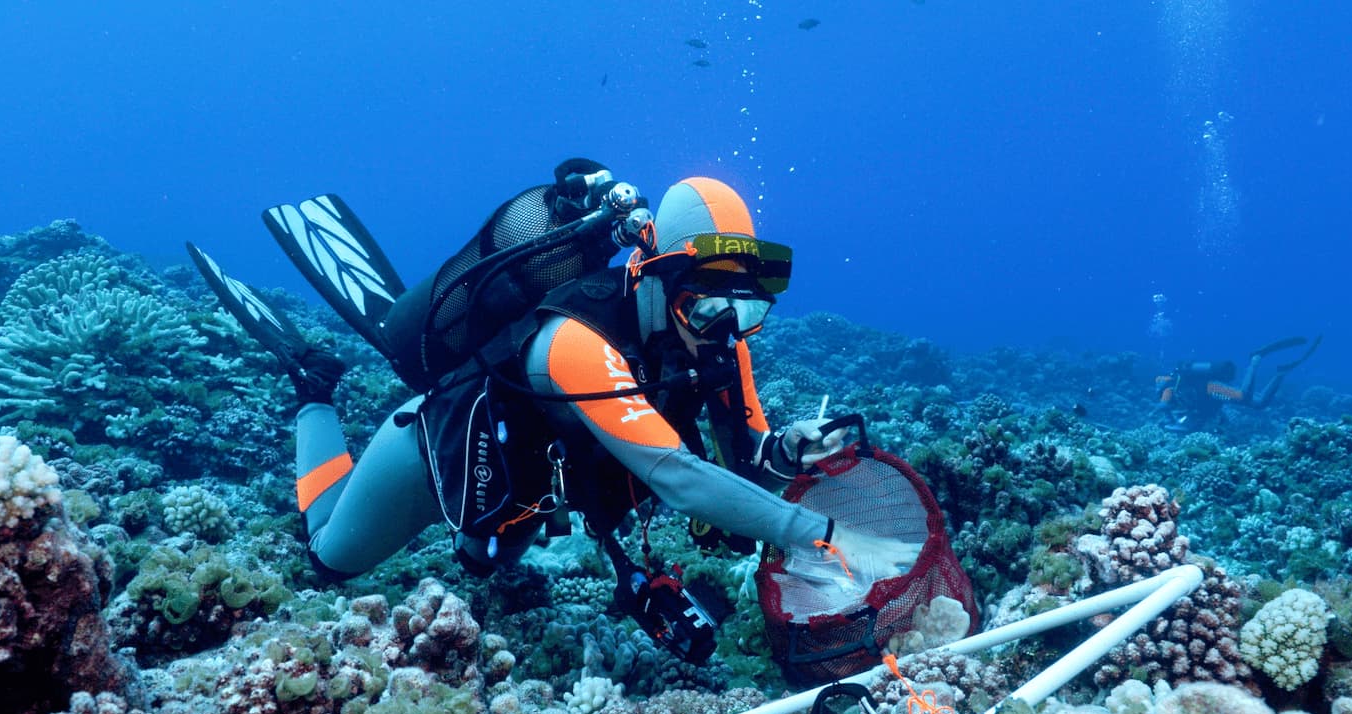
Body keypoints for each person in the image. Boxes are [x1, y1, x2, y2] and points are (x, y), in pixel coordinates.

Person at [189, 161, 908, 662]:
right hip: (436, 453)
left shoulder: (718, 341)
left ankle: (478, 529)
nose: (723, 326)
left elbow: (748, 453)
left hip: (529, 491)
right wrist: (822, 535)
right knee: (330, 557)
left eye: (743, 309)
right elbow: (681, 479)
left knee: (488, 559)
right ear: (653, 275)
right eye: (705, 304)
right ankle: (313, 389)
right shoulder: (574, 339)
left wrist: (788, 449)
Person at [1155, 335, 1322, 432]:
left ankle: (1255, 359)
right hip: (1211, 394)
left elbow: (1164, 401)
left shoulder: (1167, 388)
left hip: (1210, 388)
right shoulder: (1177, 398)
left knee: (1243, 396)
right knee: (1259, 403)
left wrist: (1164, 412)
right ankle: (1281, 373)